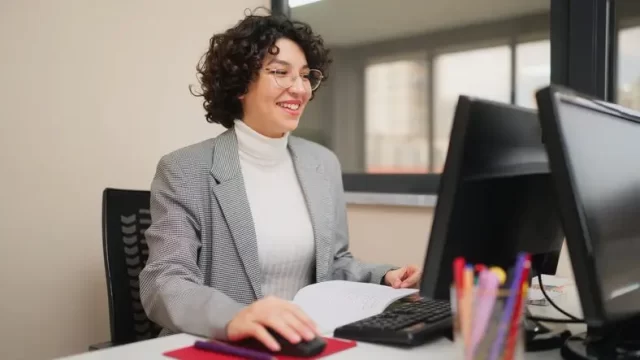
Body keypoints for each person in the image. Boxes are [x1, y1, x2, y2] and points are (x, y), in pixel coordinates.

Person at [139, 9, 422, 352]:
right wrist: (236, 317)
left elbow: (334, 263)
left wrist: (384, 277)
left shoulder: (322, 163)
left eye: (305, 75)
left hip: (307, 344)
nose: (300, 88)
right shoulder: (184, 169)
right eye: (280, 73)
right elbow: (165, 282)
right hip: (225, 348)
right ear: (240, 83)